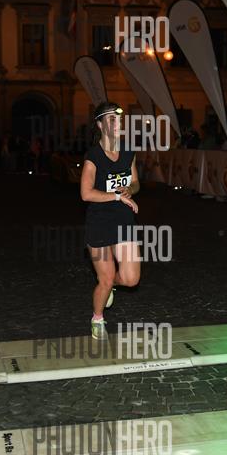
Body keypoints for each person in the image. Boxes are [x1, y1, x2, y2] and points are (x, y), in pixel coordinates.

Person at [80, 101, 140, 340]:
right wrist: (116, 195)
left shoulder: (128, 151)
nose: (118, 123)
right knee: (105, 279)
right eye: (111, 119)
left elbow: (135, 182)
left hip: (124, 220)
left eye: (119, 119)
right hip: (100, 223)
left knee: (131, 279)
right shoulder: (93, 156)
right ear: (99, 124)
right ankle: (97, 317)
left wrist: (130, 190)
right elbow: (86, 194)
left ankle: (110, 284)